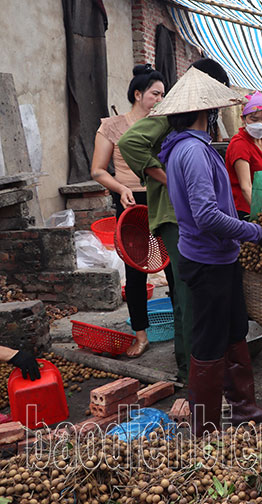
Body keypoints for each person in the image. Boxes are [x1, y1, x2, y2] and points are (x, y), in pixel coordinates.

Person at [155, 67, 262, 435]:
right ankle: (205, 427)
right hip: (207, 261)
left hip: (221, 258)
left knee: (233, 331)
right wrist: (255, 232)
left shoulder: (193, 147)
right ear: (204, 113)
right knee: (209, 342)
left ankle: (244, 408)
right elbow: (207, 216)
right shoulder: (192, 152)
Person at [119, 58, 229, 382]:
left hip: (179, 215)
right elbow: (130, 143)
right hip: (173, 216)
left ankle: (188, 368)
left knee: (183, 297)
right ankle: (197, 376)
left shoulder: (189, 114)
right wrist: (169, 178)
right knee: (190, 295)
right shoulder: (175, 110)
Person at [90, 64, 169, 358]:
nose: (160, 100)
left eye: (163, 94)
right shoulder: (111, 126)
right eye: (155, 94)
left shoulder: (165, 124)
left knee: (173, 266)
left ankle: (185, 331)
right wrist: (121, 188)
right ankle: (140, 335)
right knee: (136, 272)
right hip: (129, 204)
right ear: (138, 94)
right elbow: (98, 170)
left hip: (161, 198)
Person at [225, 91, 262, 220]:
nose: (260, 124)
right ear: (243, 119)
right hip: (244, 211)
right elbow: (245, 187)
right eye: (254, 119)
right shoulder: (240, 144)